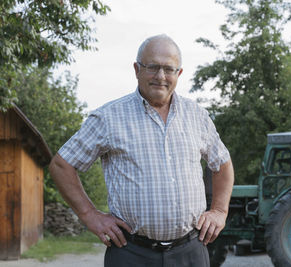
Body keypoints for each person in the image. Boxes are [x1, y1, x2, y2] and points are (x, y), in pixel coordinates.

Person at [49, 34, 234, 267]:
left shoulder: (197, 115)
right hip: (131, 253)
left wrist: (219, 210)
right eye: (152, 67)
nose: (160, 76)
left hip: (190, 252)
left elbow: (223, 164)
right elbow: (61, 164)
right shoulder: (109, 117)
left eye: (169, 69)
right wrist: (89, 215)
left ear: (179, 74)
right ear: (137, 69)